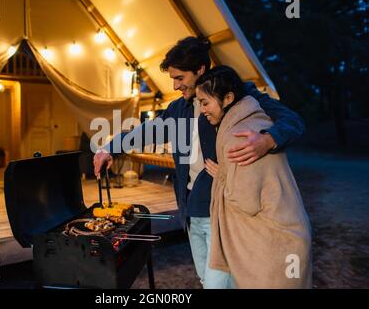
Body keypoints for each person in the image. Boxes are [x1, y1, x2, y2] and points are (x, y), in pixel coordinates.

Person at [93, 36, 305, 288]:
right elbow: (147, 130)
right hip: (190, 211)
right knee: (207, 280)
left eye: (180, 78)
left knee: (227, 283)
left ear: (200, 70)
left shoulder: (235, 94)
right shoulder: (177, 108)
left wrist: (268, 140)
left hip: (223, 212)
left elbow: (292, 121)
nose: (176, 85)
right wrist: (110, 147)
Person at [195, 65, 312, 288]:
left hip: (277, 245)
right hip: (289, 236)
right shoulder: (253, 120)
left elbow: (246, 201)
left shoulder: (240, 136)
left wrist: (223, 176)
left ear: (228, 97)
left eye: (205, 102)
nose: (203, 110)